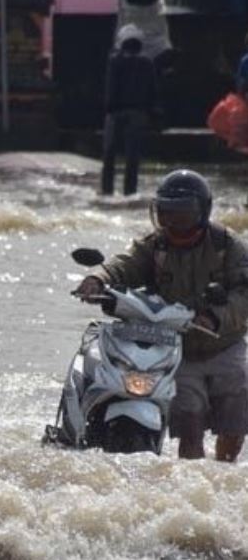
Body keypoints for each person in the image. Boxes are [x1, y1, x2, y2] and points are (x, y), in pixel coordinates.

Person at [74, 170, 248, 463]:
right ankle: (192, 484)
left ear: (203, 212)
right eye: (166, 214)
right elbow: (122, 264)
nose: (172, 223)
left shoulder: (227, 244)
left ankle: (222, 477)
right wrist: (97, 279)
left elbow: (245, 291)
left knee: (234, 425)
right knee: (189, 427)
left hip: (224, 345)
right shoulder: (154, 245)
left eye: (183, 215)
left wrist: (215, 316)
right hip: (176, 350)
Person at [101, 24, 157, 196]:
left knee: (109, 154)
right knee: (132, 157)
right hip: (138, 114)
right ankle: (130, 191)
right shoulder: (147, 63)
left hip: (115, 113)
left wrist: (108, 109)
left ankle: (107, 190)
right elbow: (152, 90)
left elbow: (110, 87)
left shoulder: (115, 61)